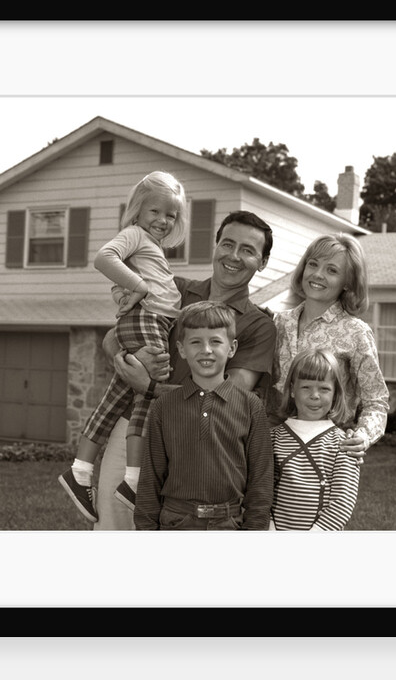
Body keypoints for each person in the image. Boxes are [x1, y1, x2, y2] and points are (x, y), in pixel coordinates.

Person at [93, 210, 278, 530]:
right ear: (215, 246)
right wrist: (131, 355)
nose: (234, 256)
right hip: (135, 426)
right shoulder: (173, 288)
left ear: (262, 262)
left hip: (200, 442)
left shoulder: (259, 325)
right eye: (228, 244)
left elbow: (229, 394)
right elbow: (111, 339)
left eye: (248, 250)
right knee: (114, 523)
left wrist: (148, 386)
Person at [58, 171, 187, 522]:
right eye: (155, 212)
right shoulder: (134, 234)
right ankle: (133, 479)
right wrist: (139, 287)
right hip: (148, 319)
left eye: (171, 215)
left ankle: (81, 469)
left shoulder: (149, 244)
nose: (162, 220)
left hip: (151, 319)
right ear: (137, 211)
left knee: (118, 395)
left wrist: (130, 288)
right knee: (148, 389)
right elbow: (104, 258)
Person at [133, 301, 273, 530]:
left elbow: (261, 481)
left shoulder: (251, 406)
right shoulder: (164, 407)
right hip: (176, 521)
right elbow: (150, 478)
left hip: (229, 523)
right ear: (181, 349)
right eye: (195, 342)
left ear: (232, 348)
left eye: (215, 341)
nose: (206, 350)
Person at [270, 233, 390, 457]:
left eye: (332, 270)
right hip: (275, 447)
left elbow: (376, 401)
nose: (317, 274)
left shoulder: (356, 333)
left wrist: (362, 436)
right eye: (313, 264)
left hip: (328, 452)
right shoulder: (279, 323)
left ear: (347, 283)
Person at [269, 348, 360, 531]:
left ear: (335, 394)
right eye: (306, 387)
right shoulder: (271, 439)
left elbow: (342, 503)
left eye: (324, 389)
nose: (315, 395)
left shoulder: (344, 445)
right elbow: (259, 493)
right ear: (292, 390)